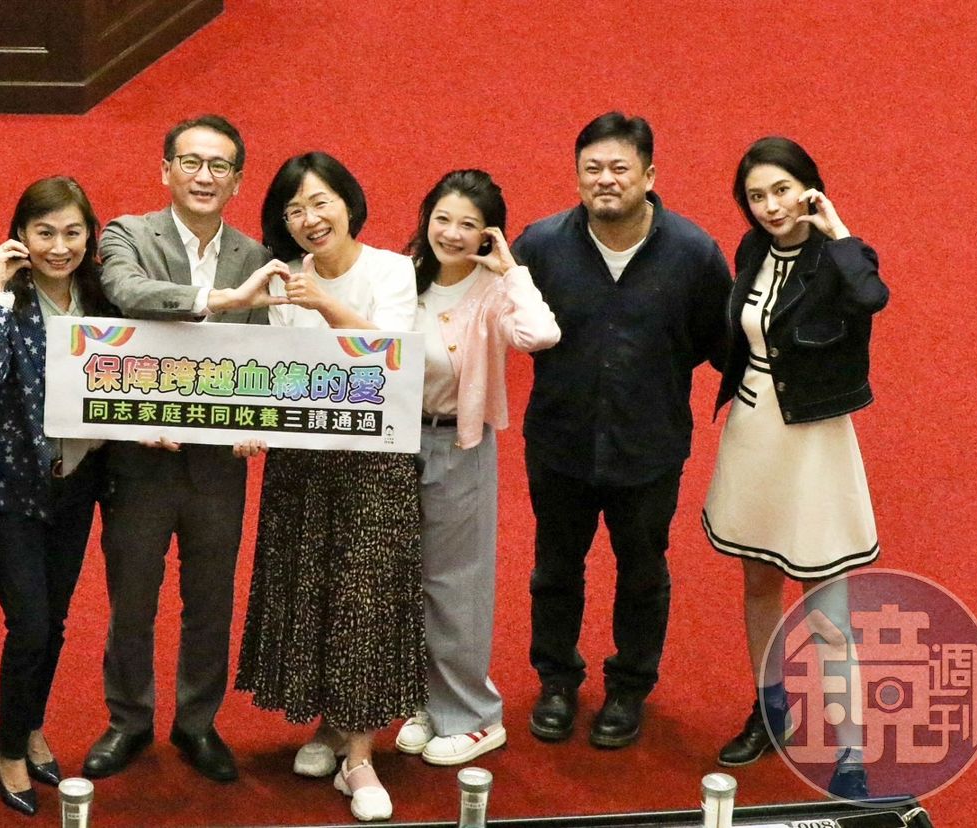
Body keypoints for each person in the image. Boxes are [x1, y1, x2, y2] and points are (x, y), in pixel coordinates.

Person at [513, 112, 732, 749]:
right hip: (559, 443)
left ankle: (630, 686)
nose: (605, 180)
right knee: (555, 568)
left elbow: (718, 342)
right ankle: (557, 681)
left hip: (649, 446)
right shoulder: (541, 246)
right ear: (577, 176)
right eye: (592, 169)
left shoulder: (693, 252)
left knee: (642, 571)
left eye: (619, 168)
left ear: (649, 175)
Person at [86, 114, 284, 783]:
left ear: (238, 181)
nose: (204, 177)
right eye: (191, 162)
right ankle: (129, 720)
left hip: (220, 463)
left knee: (211, 602)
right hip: (141, 456)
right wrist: (218, 299)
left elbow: (264, 353)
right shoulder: (128, 235)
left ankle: (198, 723)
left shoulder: (255, 256)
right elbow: (127, 293)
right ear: (165, 170)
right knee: (132, 600)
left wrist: (261, 419)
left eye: (219, 166)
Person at [234, 151, 423, 822]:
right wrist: (251, 423)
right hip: (304, 463)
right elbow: (282, 377)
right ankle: (331, 726)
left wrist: (326, 304)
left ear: (348, 202)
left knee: (362, 599)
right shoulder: (284, 282)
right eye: (294, 211)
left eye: (320, 203)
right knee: (312, 591)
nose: (310, 219)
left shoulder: (393, 270)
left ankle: (361, 758)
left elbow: (395, 357)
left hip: (376, 461)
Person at [702, 137, 886, 799]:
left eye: (781, 190)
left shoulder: (842, 257)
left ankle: (851, 754)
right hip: (753, 438)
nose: (770, 206)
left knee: (827, 607)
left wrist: (838, 233)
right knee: (758, 580)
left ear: (810, 187)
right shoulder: (752, 250)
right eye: (756, 196)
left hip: (814, 447)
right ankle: (770, 707)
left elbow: (871, 297)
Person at [392, 170, 560, 767]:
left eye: (469, 225)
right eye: (442, 219)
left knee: (455, 584)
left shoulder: (492, 292)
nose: (452, 234)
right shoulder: (401, 277)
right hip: (393, 443)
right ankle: (425, 702)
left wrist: (511, 271)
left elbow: (541, 334)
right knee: (404, 577)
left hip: (457, 446)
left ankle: (474, 716)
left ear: (489, 234)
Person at [0, 177, 117, 816]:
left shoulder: (104, 296)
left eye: (72, 232)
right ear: (20, 236)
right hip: (14, 488)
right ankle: (7, 748)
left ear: (90, 235)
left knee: (53, 621)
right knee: (28, 625)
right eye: (44, 232)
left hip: (78, 483)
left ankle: (30, 725)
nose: (59, 247)